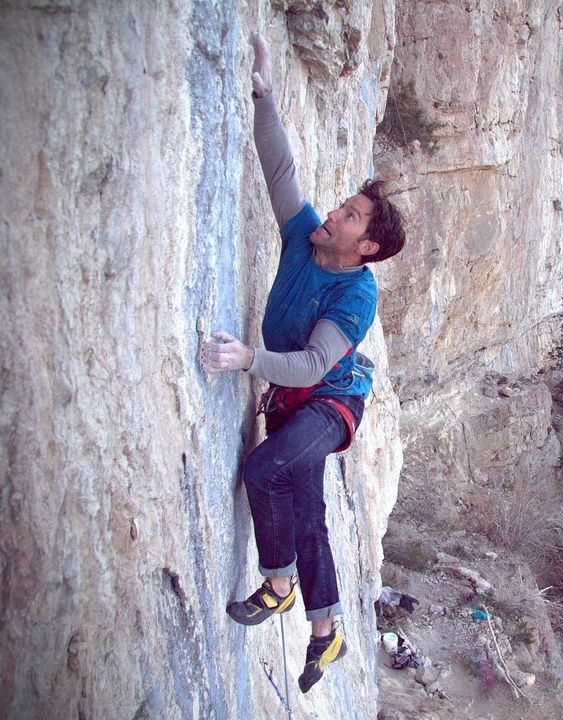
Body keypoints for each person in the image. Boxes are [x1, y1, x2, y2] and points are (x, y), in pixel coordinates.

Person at [199, 32, 406, 693]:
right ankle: (326, 632)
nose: (335, 213)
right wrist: (264, 95)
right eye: (342, 206)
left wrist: (247, 360)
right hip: (294, 399)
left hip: (330, 401)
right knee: (309, 509)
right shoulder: (303, 236)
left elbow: (316, 363)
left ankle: (279, 584)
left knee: (268, 468)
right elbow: (280, 171)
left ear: (365, 246)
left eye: (350, 216)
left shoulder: (356, 295)